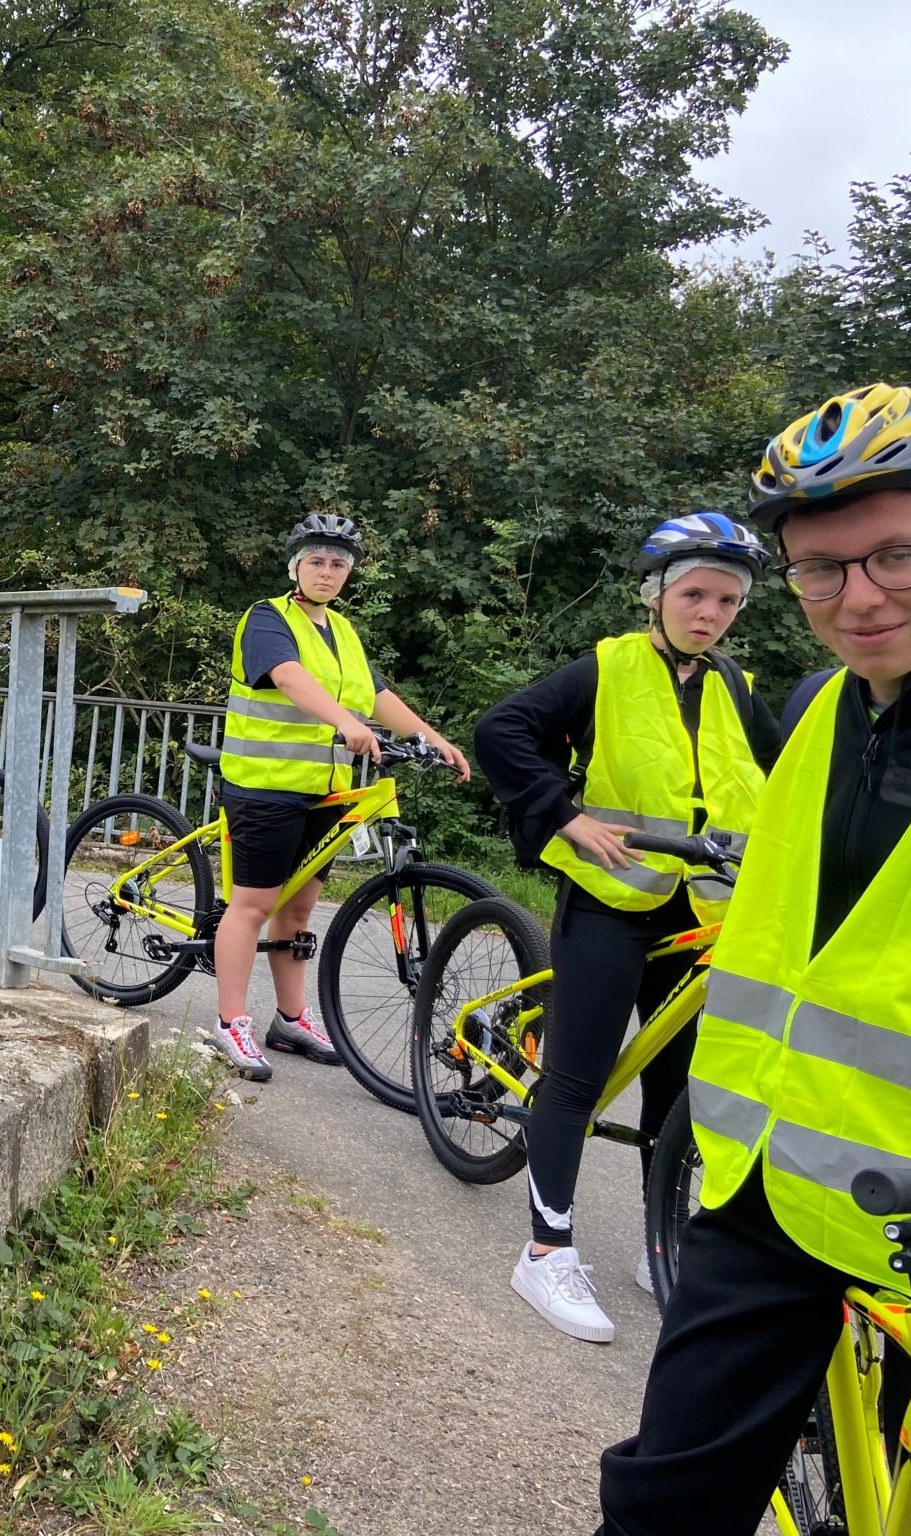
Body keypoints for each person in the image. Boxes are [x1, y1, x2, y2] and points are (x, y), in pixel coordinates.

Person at [597, 383, 911, 1532]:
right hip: (769, 1196)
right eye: (817, 569)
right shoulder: (813, 708)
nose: (855, 600)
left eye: (894, 556)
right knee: (658, 1508)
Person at [472, 512, 779, 1344]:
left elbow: (784, 779)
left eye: (727, 600)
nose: (710, 613)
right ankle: (545, 1251)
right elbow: (501, 731)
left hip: (698, 912)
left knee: (676, 1087)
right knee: (576, 1078)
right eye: (694, 595)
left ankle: (660, 1241)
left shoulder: (734, 686)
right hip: (612, 900)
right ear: (656, 594)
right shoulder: (605, 668)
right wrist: (564, 815)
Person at [213, 513, 471, 1082]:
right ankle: (230, 1022)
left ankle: (291, 1019)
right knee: (253, 905)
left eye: (338, 564)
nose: (327, 572)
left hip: (325, 793)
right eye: (316, 561)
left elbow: (376, 696)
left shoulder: (343, 632)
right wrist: (343, 722)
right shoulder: (267, 617)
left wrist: (434, 739)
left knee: (297, 910)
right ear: (296, 567)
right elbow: (287, 676)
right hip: (266, 787)